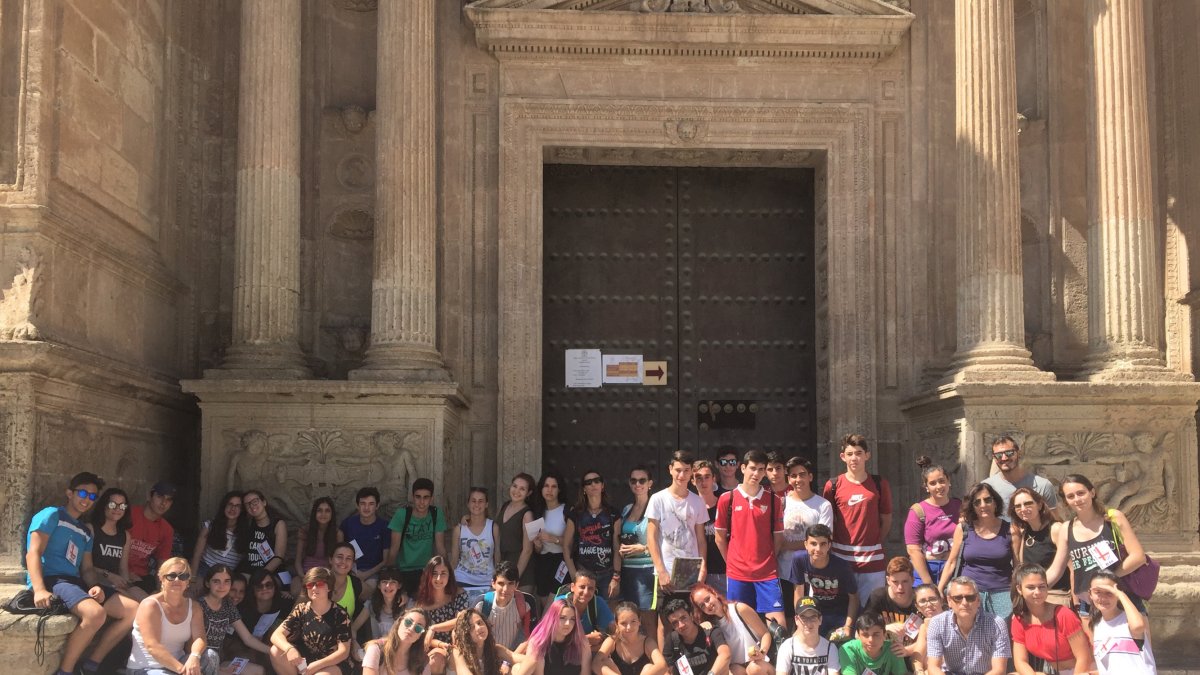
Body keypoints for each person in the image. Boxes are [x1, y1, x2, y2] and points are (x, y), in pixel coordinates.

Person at [26, 471, 139, 675]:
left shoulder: (85, 531)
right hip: (53, 579)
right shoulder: (52, 515)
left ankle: (91, 664)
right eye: (83, 493)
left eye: (93, 496)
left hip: (76, 581)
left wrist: (95, 585)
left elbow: (87, 569)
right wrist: (39, 589)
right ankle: (66, 671)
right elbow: (33, 552)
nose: (87, 499)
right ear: (69, 493)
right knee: (95, 614)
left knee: (134, 610)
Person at [1057, 473, 1148, 615]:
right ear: (1066, 501)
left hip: (1121, 598)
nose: (1077, 499)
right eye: (1070, 496)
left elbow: (1138, 556)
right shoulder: (1066, 528)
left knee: (1133, 637)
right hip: (1089, 604)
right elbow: (1056, 569)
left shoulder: (1112, 518)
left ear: (1092, 492)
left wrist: (1106, 582)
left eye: (1081, 493)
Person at [714, 449, 786, 626]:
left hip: (767, 573)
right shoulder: (727, 499)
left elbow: (778, 538)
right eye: (753, 468)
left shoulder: (773, 500)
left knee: (778, 626)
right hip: (738, 574)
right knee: (740, 624)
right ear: (743, 468)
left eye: (761, 469)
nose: (756, 473)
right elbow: (719, 537)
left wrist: (767, 559)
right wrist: (732, 561)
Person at [821, 434, 892, 604]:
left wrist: (875, 542)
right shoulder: (833, 485)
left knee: (871, 610)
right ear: (843, 457)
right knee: (842, 609)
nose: (855, 458)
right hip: (841, 558)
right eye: (850, 453)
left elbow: (887, 518)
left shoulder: (879, 484)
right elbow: (828, 522)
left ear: (867, 455)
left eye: (859, 453)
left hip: (872, 560)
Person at [127, 557, 217, 675]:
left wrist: (194, 656)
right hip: (146, 668)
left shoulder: (194, 607)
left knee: (211, 656)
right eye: (171, 576)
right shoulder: (150, 605)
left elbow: (199, 638)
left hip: (178, 665)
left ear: (188, 581)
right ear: (161, 578)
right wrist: (183, 671)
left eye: (183, 576)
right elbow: (152, 646)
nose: (177, 580)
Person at [939, 482, 1013, 620]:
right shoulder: (964, 528)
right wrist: (940, 588)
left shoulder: (1010, 530)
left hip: (1002, 592)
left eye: (988, 500)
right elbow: (952, 561)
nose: (983, 505)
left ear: (995, 502)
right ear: (972, 507)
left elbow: (1018, 563)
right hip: (968, 593)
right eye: (977, 502)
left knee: (1000, 636)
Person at [1009, 564, 1093, 675]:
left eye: (1042, 586)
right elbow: (1020, 661)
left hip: (1082, 670)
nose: (1037, 592)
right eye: (1031, 587)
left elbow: (1084, 658)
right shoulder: (1019, 619)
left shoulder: (1063, 614)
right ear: (1019, 589)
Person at [646, 450, 709, 597]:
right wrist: (661, 571)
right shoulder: (657, 499)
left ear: (691, 472)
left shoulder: (698, 501)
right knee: (665, 618)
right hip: (666, 572)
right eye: (678, 470)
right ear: (670, 470)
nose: (682, 475)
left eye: (686, 471)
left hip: (692, 573)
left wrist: (703, 569)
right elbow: (651, 538)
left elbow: (701, 540)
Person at [270, 566, 352, 675]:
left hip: (331, 663)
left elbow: (343, 652)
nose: (314, 588)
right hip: (305, 660)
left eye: (319, 584)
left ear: (329, 587)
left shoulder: (340, 614)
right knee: (275, 651)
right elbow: (276, 635)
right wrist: (289, 649)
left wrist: (317, 665)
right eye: (310, 585)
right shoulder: (301, 609)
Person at [785, 524, 857, 640]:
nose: (818, 549)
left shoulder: (842, 566)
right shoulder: (799, 559)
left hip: (841, 612)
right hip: (816, 612)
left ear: (829, 545)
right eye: (813, 544)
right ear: (806, 545)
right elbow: (798, 592)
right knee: (799, 640)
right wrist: (800, 621)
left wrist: (848, 626)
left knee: (843, 645)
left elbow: (854, 598)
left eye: (823, 544)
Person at [924, 577, 1009, 675]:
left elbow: (999, 670)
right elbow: (933, 667)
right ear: (949, 601)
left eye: (970, 598)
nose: (964, 603)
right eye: (958, 598)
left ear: (978, 600)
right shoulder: (937, 623)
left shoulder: (997, 624)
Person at [199, 564, 269, 675]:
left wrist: (271, 651)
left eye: (226, 581)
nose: (222, 586)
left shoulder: (228, 606)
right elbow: (190, 644)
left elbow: (248, 638)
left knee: (258, 671)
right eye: (217, 581)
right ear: (208, 583)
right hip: (199, 661)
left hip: (219, 661)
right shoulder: (198, 605)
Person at [564, 470, 622, 600]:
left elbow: (616, 545)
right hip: (583, 572)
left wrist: (616, 577)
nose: (593, 484)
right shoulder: (576, 514)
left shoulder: (613, 514)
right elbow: (566, 546)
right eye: (588, 482)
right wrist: (574, 575)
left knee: (607, 615)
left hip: (607, 573)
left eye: (597, 481)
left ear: (602, 485)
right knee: (584, 615)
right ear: (584, 488)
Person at [690, 583, 772, 675]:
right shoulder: (712, 626)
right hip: (738, 667)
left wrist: (762, 652)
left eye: (707, 599)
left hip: (760, 662)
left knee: (754, 669)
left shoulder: (740, 609)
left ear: (714, 593)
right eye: (702, 606)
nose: (707, 605)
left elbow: (765, 634)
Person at [904, 457, 960, 587]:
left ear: (949, 482)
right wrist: (928, 582)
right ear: (926, 487)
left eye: (942, 481)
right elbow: (913, 549)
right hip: (928, 569)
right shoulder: (918, 511)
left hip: (955, 569)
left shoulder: (960, 506)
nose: (939, 486)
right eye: (933, 483)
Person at [1009, 488, 1070, 605]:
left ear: (1040, 505)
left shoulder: (1056, 529)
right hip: (1032, 598)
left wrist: (1076, 602)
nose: (1023, 509)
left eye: (1028, 503)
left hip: (1056, 597)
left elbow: (1072, 568)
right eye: (1018, 506)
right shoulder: (1025, 532)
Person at [1088, 571, 1156, 674]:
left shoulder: (1130, 619)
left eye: (1109, 592)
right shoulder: (1096, 625)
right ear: (1090, 594)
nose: (1103, 598)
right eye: (1098, 592)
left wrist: (1121, 594)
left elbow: (1138, 627)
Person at [389, 478, 448, 594]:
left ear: (432, 499)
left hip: (427, 570)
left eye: (426, 497)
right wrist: (388, 574)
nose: (422, 502)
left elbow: (440, 548)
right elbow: (393, 550)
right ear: (412, 497)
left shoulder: (436, 514)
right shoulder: (402, 514)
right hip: (404, 570)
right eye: (418, 497)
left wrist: (447, 571)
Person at [981, 436, 1061, 520]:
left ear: (1019, 454)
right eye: (999, 455)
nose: (1004, 458)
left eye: (1009, 453)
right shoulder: (986, 487)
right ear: (994, 458)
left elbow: (1054, 522)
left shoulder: (1043, 485)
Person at [619, 464, 658, 630]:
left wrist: (641, 548)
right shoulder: (627, 509)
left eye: (642, 480)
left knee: (647, 617)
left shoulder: (655, 508)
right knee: (628, 617)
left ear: (650, 483)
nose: (638, 484)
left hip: (646, 570)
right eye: (633, 480)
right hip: (626, 570)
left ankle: (653, 655)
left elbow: (662, 540)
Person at [862, 557, 922, 663]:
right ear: (888, 580)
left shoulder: (921, 599)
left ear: (913, 580)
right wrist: (885, 627)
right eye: (895, 582)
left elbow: (932, 637)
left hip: (915, 654)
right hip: (883, 654)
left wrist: (907, 650)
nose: (900, 587)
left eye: (905, 581)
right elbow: (861, 631)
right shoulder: (878, 597)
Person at [227, 569, 290, 668]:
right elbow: (246, 639)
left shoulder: (284, 602)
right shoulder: (242, 606)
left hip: (265, 644)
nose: (264, 589)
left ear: (274, 586)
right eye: (259, 586)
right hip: (237, 645)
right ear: (253, 589)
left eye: (268, 585)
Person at [513, 598, 592, 675]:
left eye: (572, 619)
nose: (568, 623)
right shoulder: (538, 643)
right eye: (562, 618)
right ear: (552, 618)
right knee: (517, 668)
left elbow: (585, 672)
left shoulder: (582, 643)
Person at [89, 485, 143, 600]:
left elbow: (123, 568)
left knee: (150, 602)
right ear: (104, 505)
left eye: (122, 506)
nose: (118, 509)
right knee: (136, 606)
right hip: (97, 583)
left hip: (117, 583)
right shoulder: (91, 529)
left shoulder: (125, 535)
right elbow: (84, 567)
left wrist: (127, 585)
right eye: (112, 504)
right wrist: (108, 575)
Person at [451, 486, 501, 606]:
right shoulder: (459, 529)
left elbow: (497, 556)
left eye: (481, 501)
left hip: (487, 581)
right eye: (473, 501)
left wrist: (497, 582)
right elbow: (454, 560)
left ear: (486, 504)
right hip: (462, 580)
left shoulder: (493, 527)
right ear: (468, 504)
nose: (477, 504)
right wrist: (451, 584)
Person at [530, 470, 572, 606]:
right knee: (543, 604)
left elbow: (573, 543)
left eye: (554, 486)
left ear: (559, 489)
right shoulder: (536, 512)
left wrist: (554, 539)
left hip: (561, 562)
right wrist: (537, 545)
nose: (549, 490)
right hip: (542, 563)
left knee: (551, 607)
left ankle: (540, 628)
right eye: (546, 486)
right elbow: (536, 549)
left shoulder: (567, 510)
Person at [476, 561, 539, 650]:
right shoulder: (481, 604)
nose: (505, 589)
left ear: (516, 585)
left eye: (510, 584)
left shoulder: (526, 603)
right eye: (501, 583)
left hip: (515, 657)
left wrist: (508, 660)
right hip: (486, 657)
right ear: (493, 583)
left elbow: (531, 636)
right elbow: (470, 635)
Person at [128, 481, 177, 593]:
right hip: (117, 572)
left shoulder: (167, 529)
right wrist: (126, 573)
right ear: (149, 496)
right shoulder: (129, 514)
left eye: (168, 500)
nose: (163, 503)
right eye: (160, 497)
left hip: (142, 577)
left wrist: (162, 591)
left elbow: (162, 564)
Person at [594, 600, 668, 675]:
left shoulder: (647, 642)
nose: (629, 627)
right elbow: (595, 663)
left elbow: (662, 665)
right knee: (606, 663)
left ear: (639, 621)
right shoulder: (612, 641)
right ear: (616, 624)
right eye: (623, 623)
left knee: (648, 667)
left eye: (633, 621)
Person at [189, 491, 246, 587]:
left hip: (228, 575)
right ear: (224, 506)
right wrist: (193, 578)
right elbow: (197, 554)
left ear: (242, 510)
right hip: (205, 569)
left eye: (237, 506)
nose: (233, 508)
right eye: (230, 504)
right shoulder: (210, 525)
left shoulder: (245, 533)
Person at [660, 597, 730, 675]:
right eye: (675, 623)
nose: (681, 625)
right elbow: (666, 669)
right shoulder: (672, 640)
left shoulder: (711, 632)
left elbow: (725, 655)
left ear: (691, 615)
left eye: (683, 618)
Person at [341, 487, 391, 595]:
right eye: (363, 503)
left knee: (362, 591)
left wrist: (365, 575)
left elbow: (386, 561)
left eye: (371, 504)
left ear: (377, 506)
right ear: (357, 505)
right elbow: (338, 550)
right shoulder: (348, 524)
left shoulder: (384, 527)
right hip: (349, 571)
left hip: (374, 573)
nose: (366, 507)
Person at [415, 555, 470, 648]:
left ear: (449, 575)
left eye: (443, 573)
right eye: (434, 573)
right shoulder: (421, 604)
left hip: (457, 644)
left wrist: (434, 628)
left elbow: (462, 619)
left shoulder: (459, 595)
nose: (438, 578)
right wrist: (440, 644)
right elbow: (422, 635)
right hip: (433, 646)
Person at [775, 596, 840, 675]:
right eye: (803, 618)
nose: (808, 623)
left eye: (813, 617)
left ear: (820, 620)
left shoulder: (830, 648)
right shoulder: (787, 647)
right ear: (796, 620)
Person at [555, 569, 616, 651]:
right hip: (561, 652)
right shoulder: (560, 604)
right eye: (582, 587)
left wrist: (602, 636)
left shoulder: (597, 602)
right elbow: (552, 637)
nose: (586, 592)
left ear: (595, 590)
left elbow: (614, 631)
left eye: (590, 588)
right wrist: (585, 640)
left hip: (586, 650)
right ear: (572, 587)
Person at [362, 607, 435, 675]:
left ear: (420, 635)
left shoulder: (423, 661)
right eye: (408, 622)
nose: (411, 628)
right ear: (399, 622)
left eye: (418, 628)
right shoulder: (376, 649)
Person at [450, 608, 523, 675]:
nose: (479, 628)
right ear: (465, 634)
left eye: (479, 623)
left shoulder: (495, 649)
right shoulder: (457, 652)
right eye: (471, 627)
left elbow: (529, 661)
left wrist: (507, 664)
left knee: (518, 668)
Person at [497, 472, 537, 594]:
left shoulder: (528, 515)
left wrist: (515, 577)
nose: (517, 491)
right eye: (515, 486)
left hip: (521, 572)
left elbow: (528, 550)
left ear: (529, 493)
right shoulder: (504, 506)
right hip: (504, 566)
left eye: (522, 489)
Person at [692, 460, 727, 594]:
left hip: (723, 571)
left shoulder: (724, 506)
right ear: (692, 481)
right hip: (696, 573)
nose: (703, 481)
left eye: (707, 477)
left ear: (714, 478)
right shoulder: (689, 508)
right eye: (698, 478)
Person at [353, 567, 408, 652]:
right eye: (384, 582)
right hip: (377, 650)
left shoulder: (407, 605)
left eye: (393, 582)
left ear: (399, 586)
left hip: (400, 651)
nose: (388, 586)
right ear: (379, 585)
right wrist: (354, 644)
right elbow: (353, 628)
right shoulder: (371, 604)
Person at [296, 497, 343, 595]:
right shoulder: (305, 530)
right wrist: (304, 578)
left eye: (327, 511)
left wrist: (325, 579)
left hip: (327, 576)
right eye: (320, 511)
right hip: (305, 574)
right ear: (314, 513)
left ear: (332, 514)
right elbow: (297, 561)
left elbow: (338, 562)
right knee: (296, 591)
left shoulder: (338, 534)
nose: (323, 514)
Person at [837, 612, 908, 675]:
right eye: (865, 635)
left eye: (876, 634)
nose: (871, 640)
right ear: (858, 636)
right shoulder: (847, 650)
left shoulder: (893, 649)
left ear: (884, 634)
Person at [241, 490, 287, 575]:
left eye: (255, 501)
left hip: (272, 572)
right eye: (247, 504)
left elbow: (279, 557)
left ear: (264, 502)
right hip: (249, 571)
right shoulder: (248, 524)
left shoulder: (278, 524)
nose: (252, 505)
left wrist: (261, 575)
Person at [908, 584, 945, 675]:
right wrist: (919, 671)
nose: (928, 604)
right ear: (917, 607)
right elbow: (917, 655)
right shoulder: (925, 626)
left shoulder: (953, 620)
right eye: (923, 601)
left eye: (933, 599)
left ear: (941, 600)